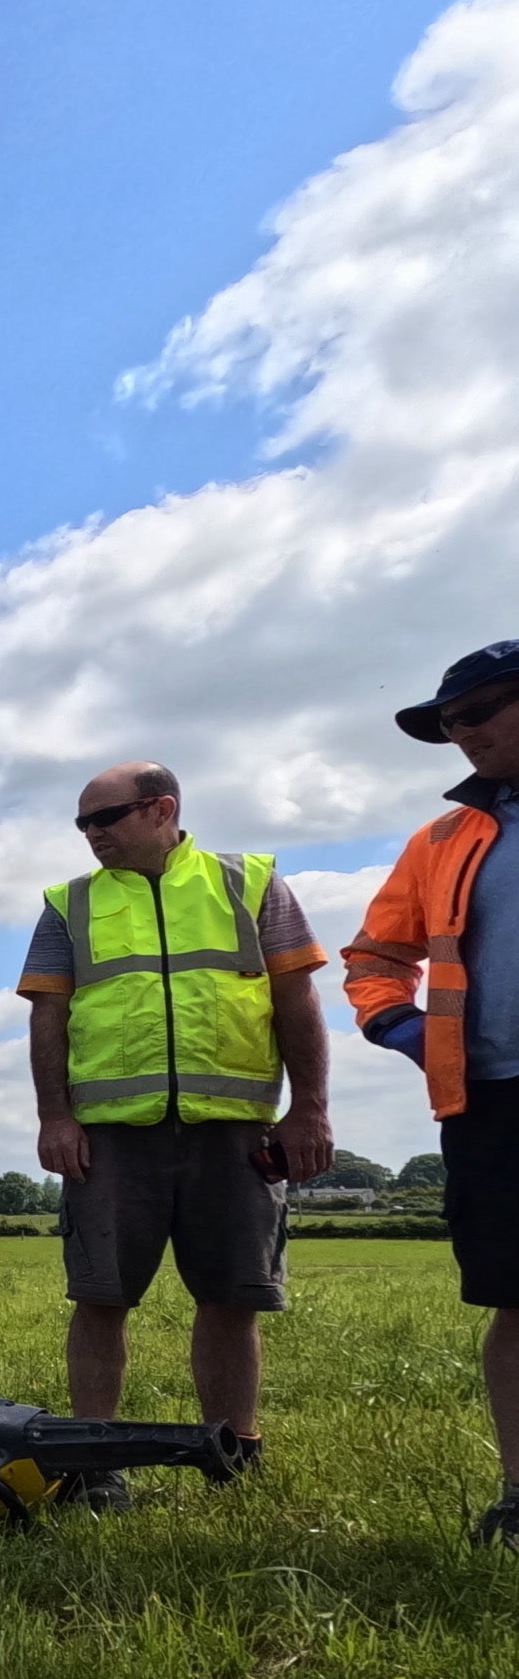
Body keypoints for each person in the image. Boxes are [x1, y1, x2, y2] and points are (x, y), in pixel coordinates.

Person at [18, 761, 332, 1503]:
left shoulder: (249, 883)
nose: (91, 836)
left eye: (107, 819)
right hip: (110, 1138)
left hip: (234, 1131)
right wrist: (55, 1116)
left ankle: (232, 1451)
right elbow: (47, 1016)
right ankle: (95, 1466)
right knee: (101, 1300)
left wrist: (310, 1108)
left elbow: (296, 996)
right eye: (82, 825)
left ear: (162, 809)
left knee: (231, 1297)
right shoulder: (70, 904)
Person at [343, 638, 519, 1545]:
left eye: (476, 713)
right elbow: (374, 958)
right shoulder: (441, 841)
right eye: (447, 724)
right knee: (515, 1300)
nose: (460, 736)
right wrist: (407, 1031)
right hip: (492, 1102)